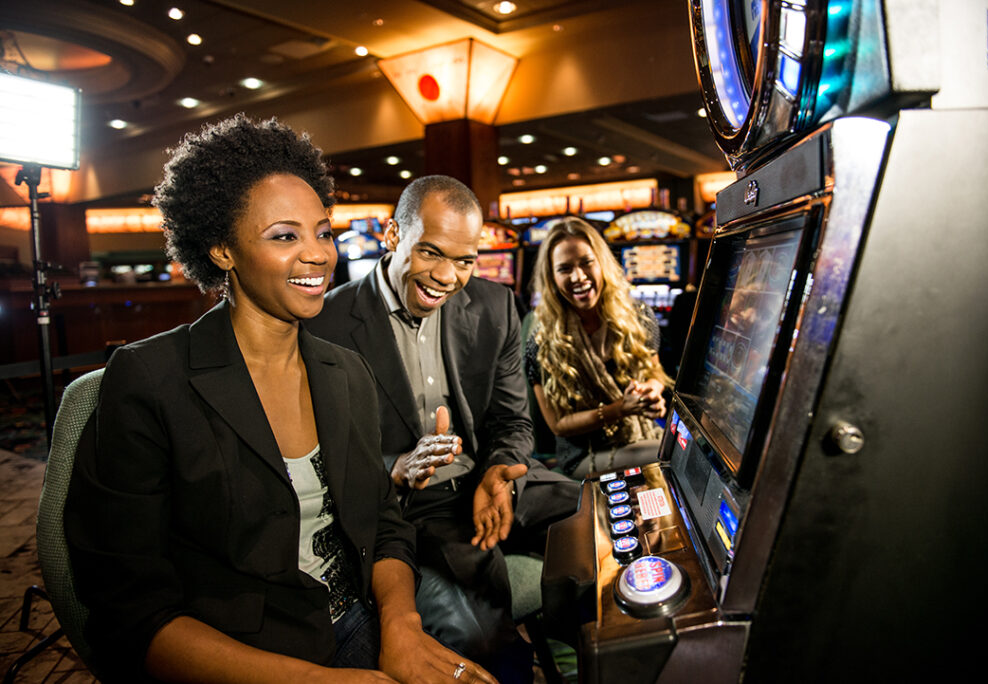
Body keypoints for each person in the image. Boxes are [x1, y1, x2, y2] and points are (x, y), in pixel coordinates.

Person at [64, 116, 494, 684]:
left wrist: (402, 627)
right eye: (285, 236)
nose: (318, 255)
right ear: (221, 248)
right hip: (244, 655)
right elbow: (132, 613)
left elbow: (384, 524)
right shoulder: (149, 378)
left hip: (358, 617)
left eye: (323, 232)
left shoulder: (345, 370)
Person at [306, 175, 578, 682]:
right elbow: (323, 454)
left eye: (465, 260)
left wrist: (500, 472)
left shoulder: (495, 306)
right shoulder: (326, 322)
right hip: (413, 502)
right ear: (392, 236)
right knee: (484, 622)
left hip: (492, 480)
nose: (447, 276)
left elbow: (513, 421)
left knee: (610, 524)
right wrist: (398, 468)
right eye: (431, 253)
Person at [524, 216, 672, 479]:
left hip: (640, 436)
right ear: (551, 277)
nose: (578, 276)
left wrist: (649, 393)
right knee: (673, 453)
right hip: (584, 455)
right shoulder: (541, 339)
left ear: (601, 262)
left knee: (685, 445)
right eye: (565, 268)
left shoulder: (637, 315)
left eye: (586, 263)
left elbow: (655, 373)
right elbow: (558, 424)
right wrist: (621, 409)